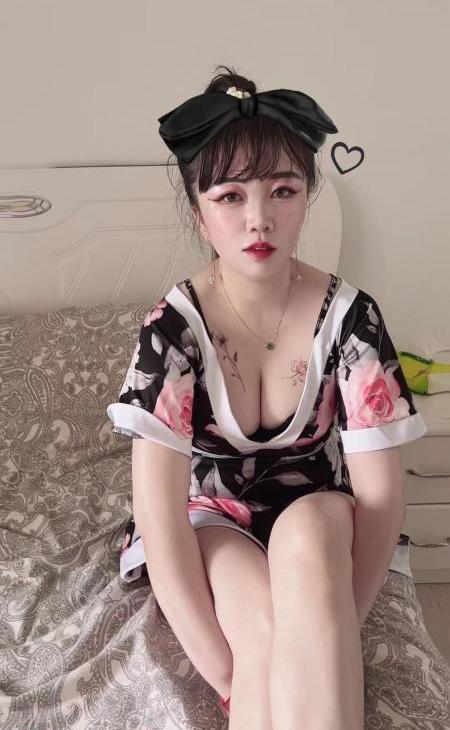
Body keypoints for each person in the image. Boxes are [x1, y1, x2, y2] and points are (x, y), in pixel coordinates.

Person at [106, 65, 429, 728]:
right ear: (199, 213)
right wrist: (235, 672)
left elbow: (380, 498)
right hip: (211, 520)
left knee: (308, 538)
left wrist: (332, 628)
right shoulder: (171, 332)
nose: (259, 219)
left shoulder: (352, 319)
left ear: (308, 196)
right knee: (260, 633)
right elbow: (161, 518)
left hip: (319, 510)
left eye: (283, 190)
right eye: (230, 197)